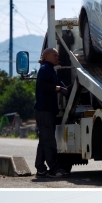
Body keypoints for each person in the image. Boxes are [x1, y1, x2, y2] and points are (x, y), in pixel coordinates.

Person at [34, 47, 69, 178]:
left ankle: (41, 168)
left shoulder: (50, 70)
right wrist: (58, 88)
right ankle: (53, 169)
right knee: (49, 141)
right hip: (44, 111)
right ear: (47, 56)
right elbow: (42, 85)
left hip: (47, 111)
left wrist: (65, 88)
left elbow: (58, 83)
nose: (57, 57)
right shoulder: (45, 69)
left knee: (44, 140)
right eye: (55, 55)